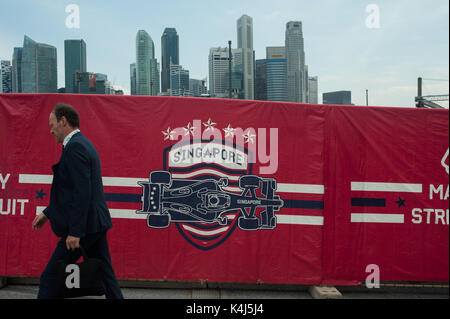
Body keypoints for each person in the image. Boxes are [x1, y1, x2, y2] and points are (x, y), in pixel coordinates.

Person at [32, 103, 123, 299]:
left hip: (85, 228)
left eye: (52, 124)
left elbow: (82, 193)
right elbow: (71, 190)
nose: (50, 130)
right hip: (94, 224)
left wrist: (74, 232)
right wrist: (48, 213)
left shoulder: (76, 148)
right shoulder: (83, 144)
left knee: (49, 278)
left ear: (63, 121)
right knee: (107, 277)